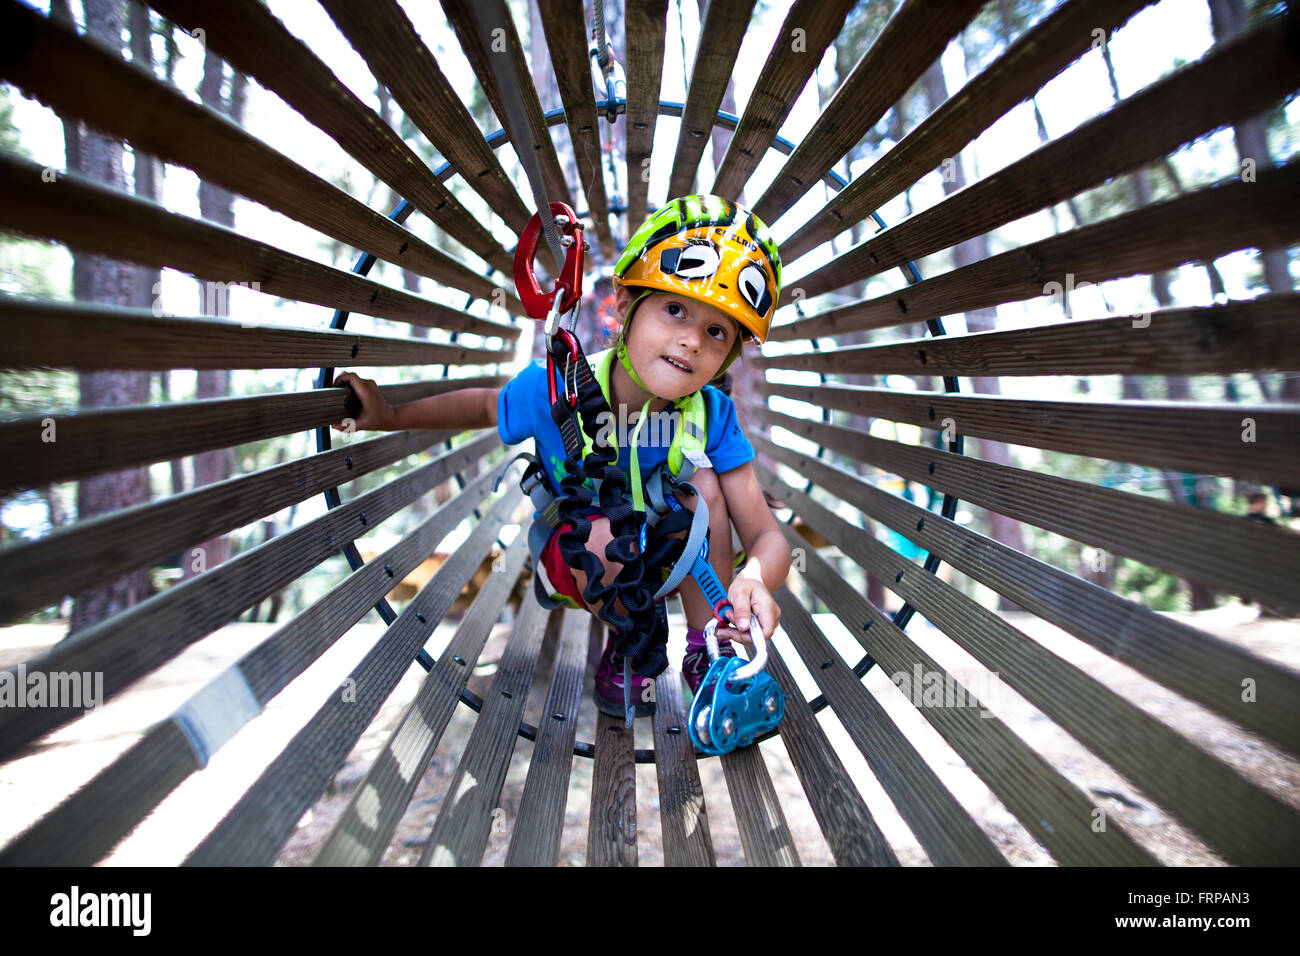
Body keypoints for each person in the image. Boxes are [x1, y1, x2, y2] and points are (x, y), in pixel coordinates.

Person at [334, 195, 791, 716]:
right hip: (579, 556)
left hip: (669, 561)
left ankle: (706, 648)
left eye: (715, 332)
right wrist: (390, 415)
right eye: (674, 309)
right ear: (624, 309)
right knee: (602, 533)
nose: (690, 340)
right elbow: (486, 405)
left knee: (706, 488)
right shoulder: (559, 388)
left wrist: (755, 575)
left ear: (725, 357)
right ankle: (630, 638)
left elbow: (765, 535)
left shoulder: (710, 414)